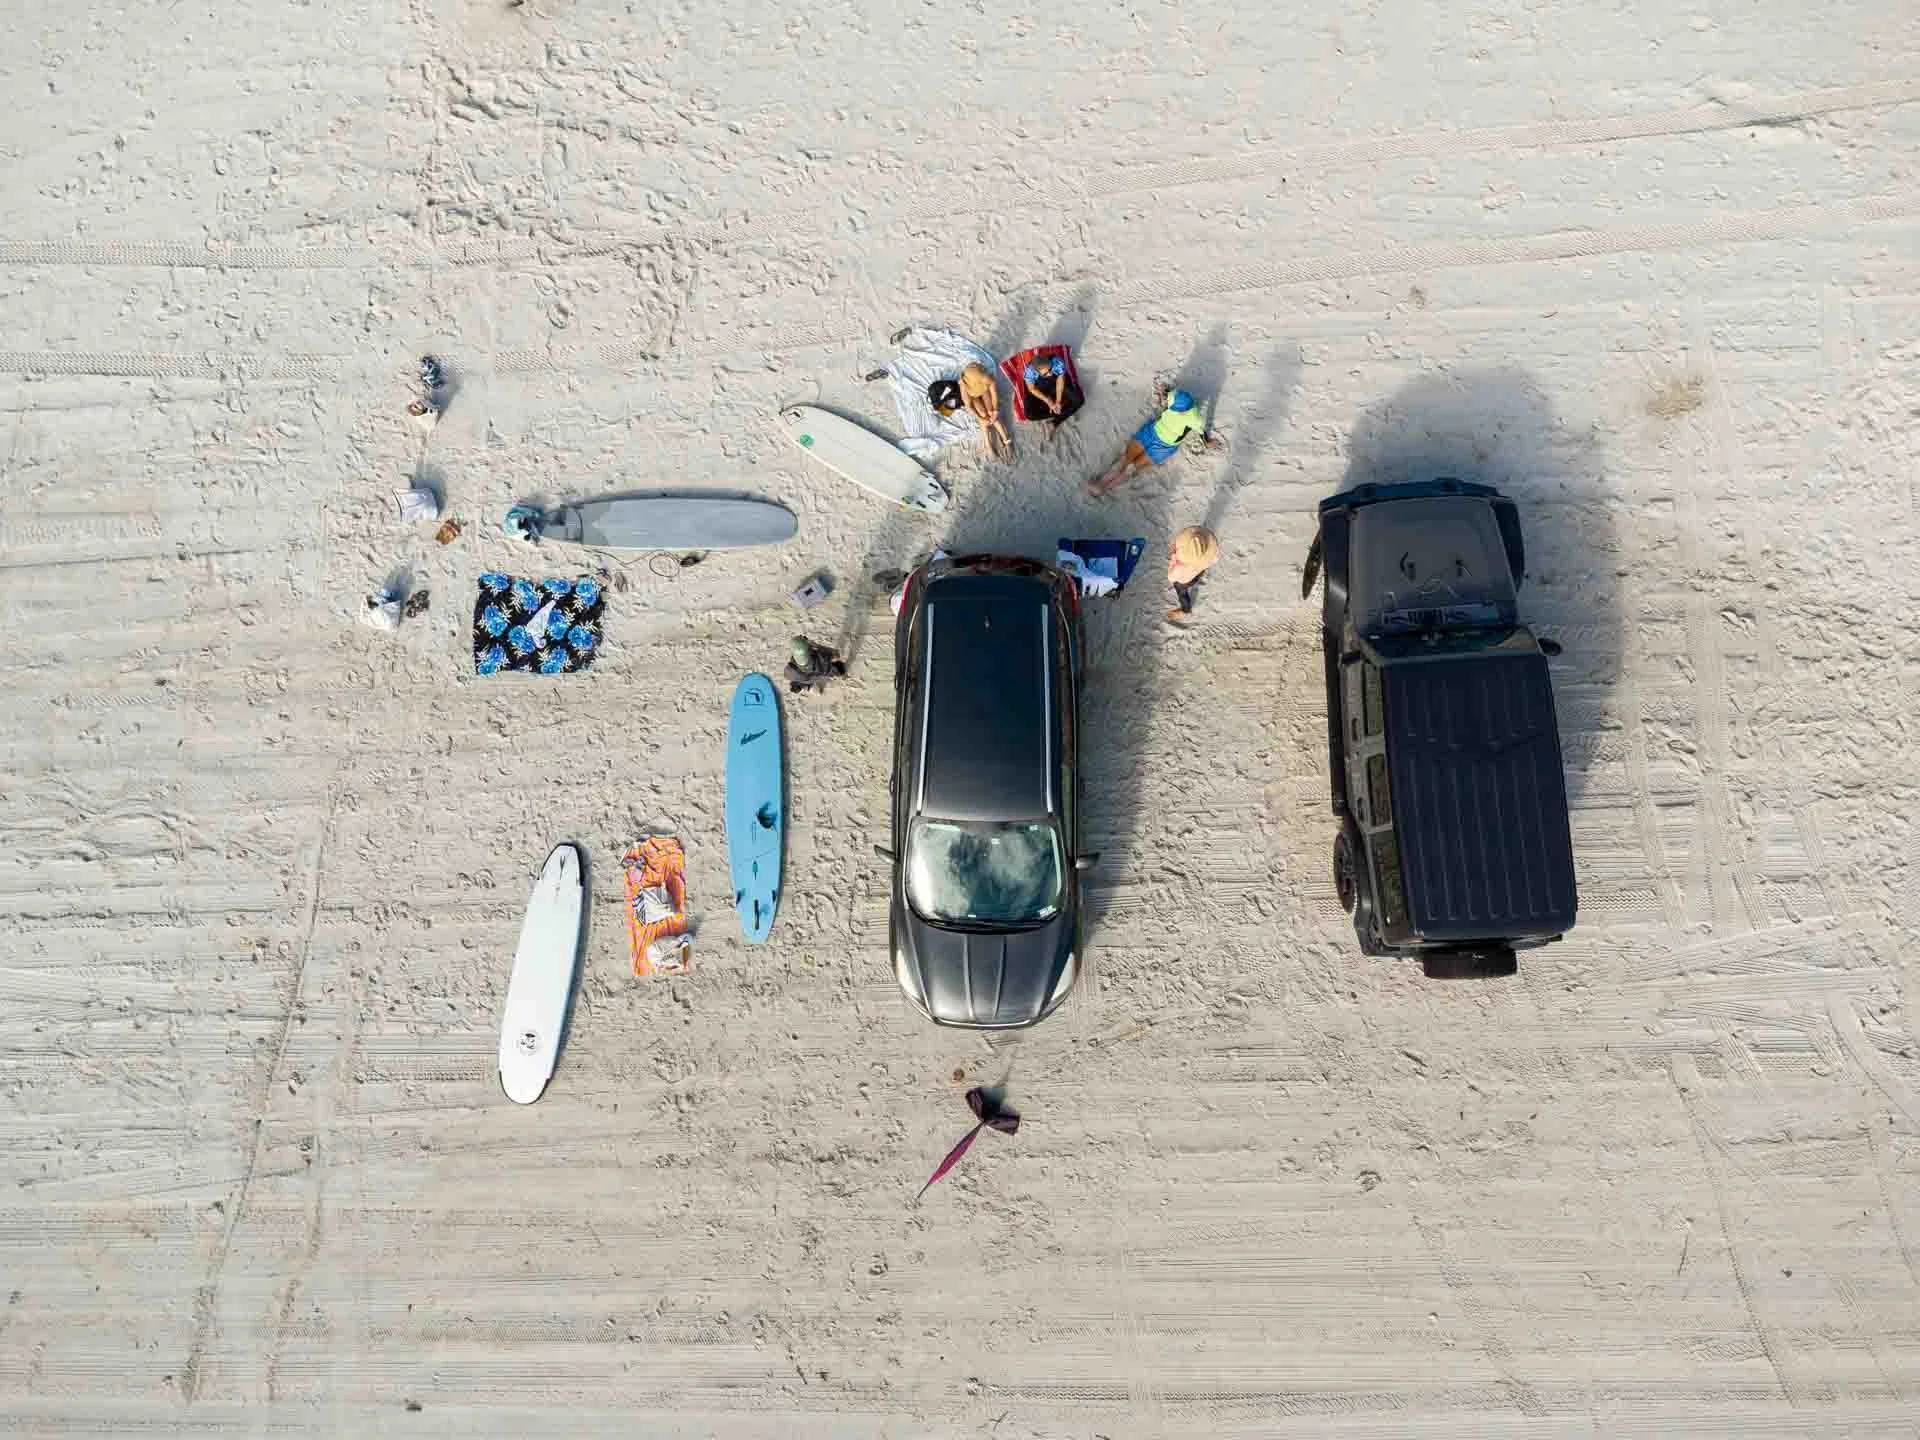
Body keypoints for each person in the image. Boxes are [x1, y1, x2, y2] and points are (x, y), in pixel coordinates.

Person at [1085, 384, 1218, 497]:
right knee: (1128, 463)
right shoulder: (1180, 401)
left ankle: (1102, 486)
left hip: (1161, 441)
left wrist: (1207, 442)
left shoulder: (1194, 418)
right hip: (1158, 437)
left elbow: (1202, 433)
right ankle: (1102, 485)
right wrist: (1162, 392)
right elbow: (1168, 394)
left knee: (1128, 464)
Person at [1166, 526, 1220, 624]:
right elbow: (1215, 559)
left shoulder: (1179, 566)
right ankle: (1186, 608)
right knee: (1195, 577)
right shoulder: (1207, 551)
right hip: (1199, 570)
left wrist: (1173, 557)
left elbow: (1171, 577)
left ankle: (1186, 610)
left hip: (1185, 579)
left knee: (1182, 592)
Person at [959, 363, 1011, 458]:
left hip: (983, 389)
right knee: (983, 414)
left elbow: (994, 394)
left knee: (990, 411)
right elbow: (968, 406)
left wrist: (995, 411)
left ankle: (1005, 438)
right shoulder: (964, 384)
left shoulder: (987, 379)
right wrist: (979, 418)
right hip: (973, 395)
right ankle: (988, 444)